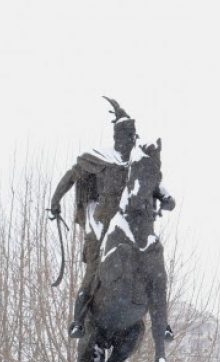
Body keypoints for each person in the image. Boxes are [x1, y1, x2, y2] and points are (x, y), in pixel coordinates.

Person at [50, 97, 175, 338]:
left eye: (132, 136)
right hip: (103, 223)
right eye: (126, 136)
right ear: (117, 137)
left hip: (133, 223)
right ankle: (79, 320)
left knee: (156, 266)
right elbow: (70, 177)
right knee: (95, 268)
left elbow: (157, 187)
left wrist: (167, 200)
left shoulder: (138, 162)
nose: (130, 140)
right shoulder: (101, 158)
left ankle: (163, 322)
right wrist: (55, 202)